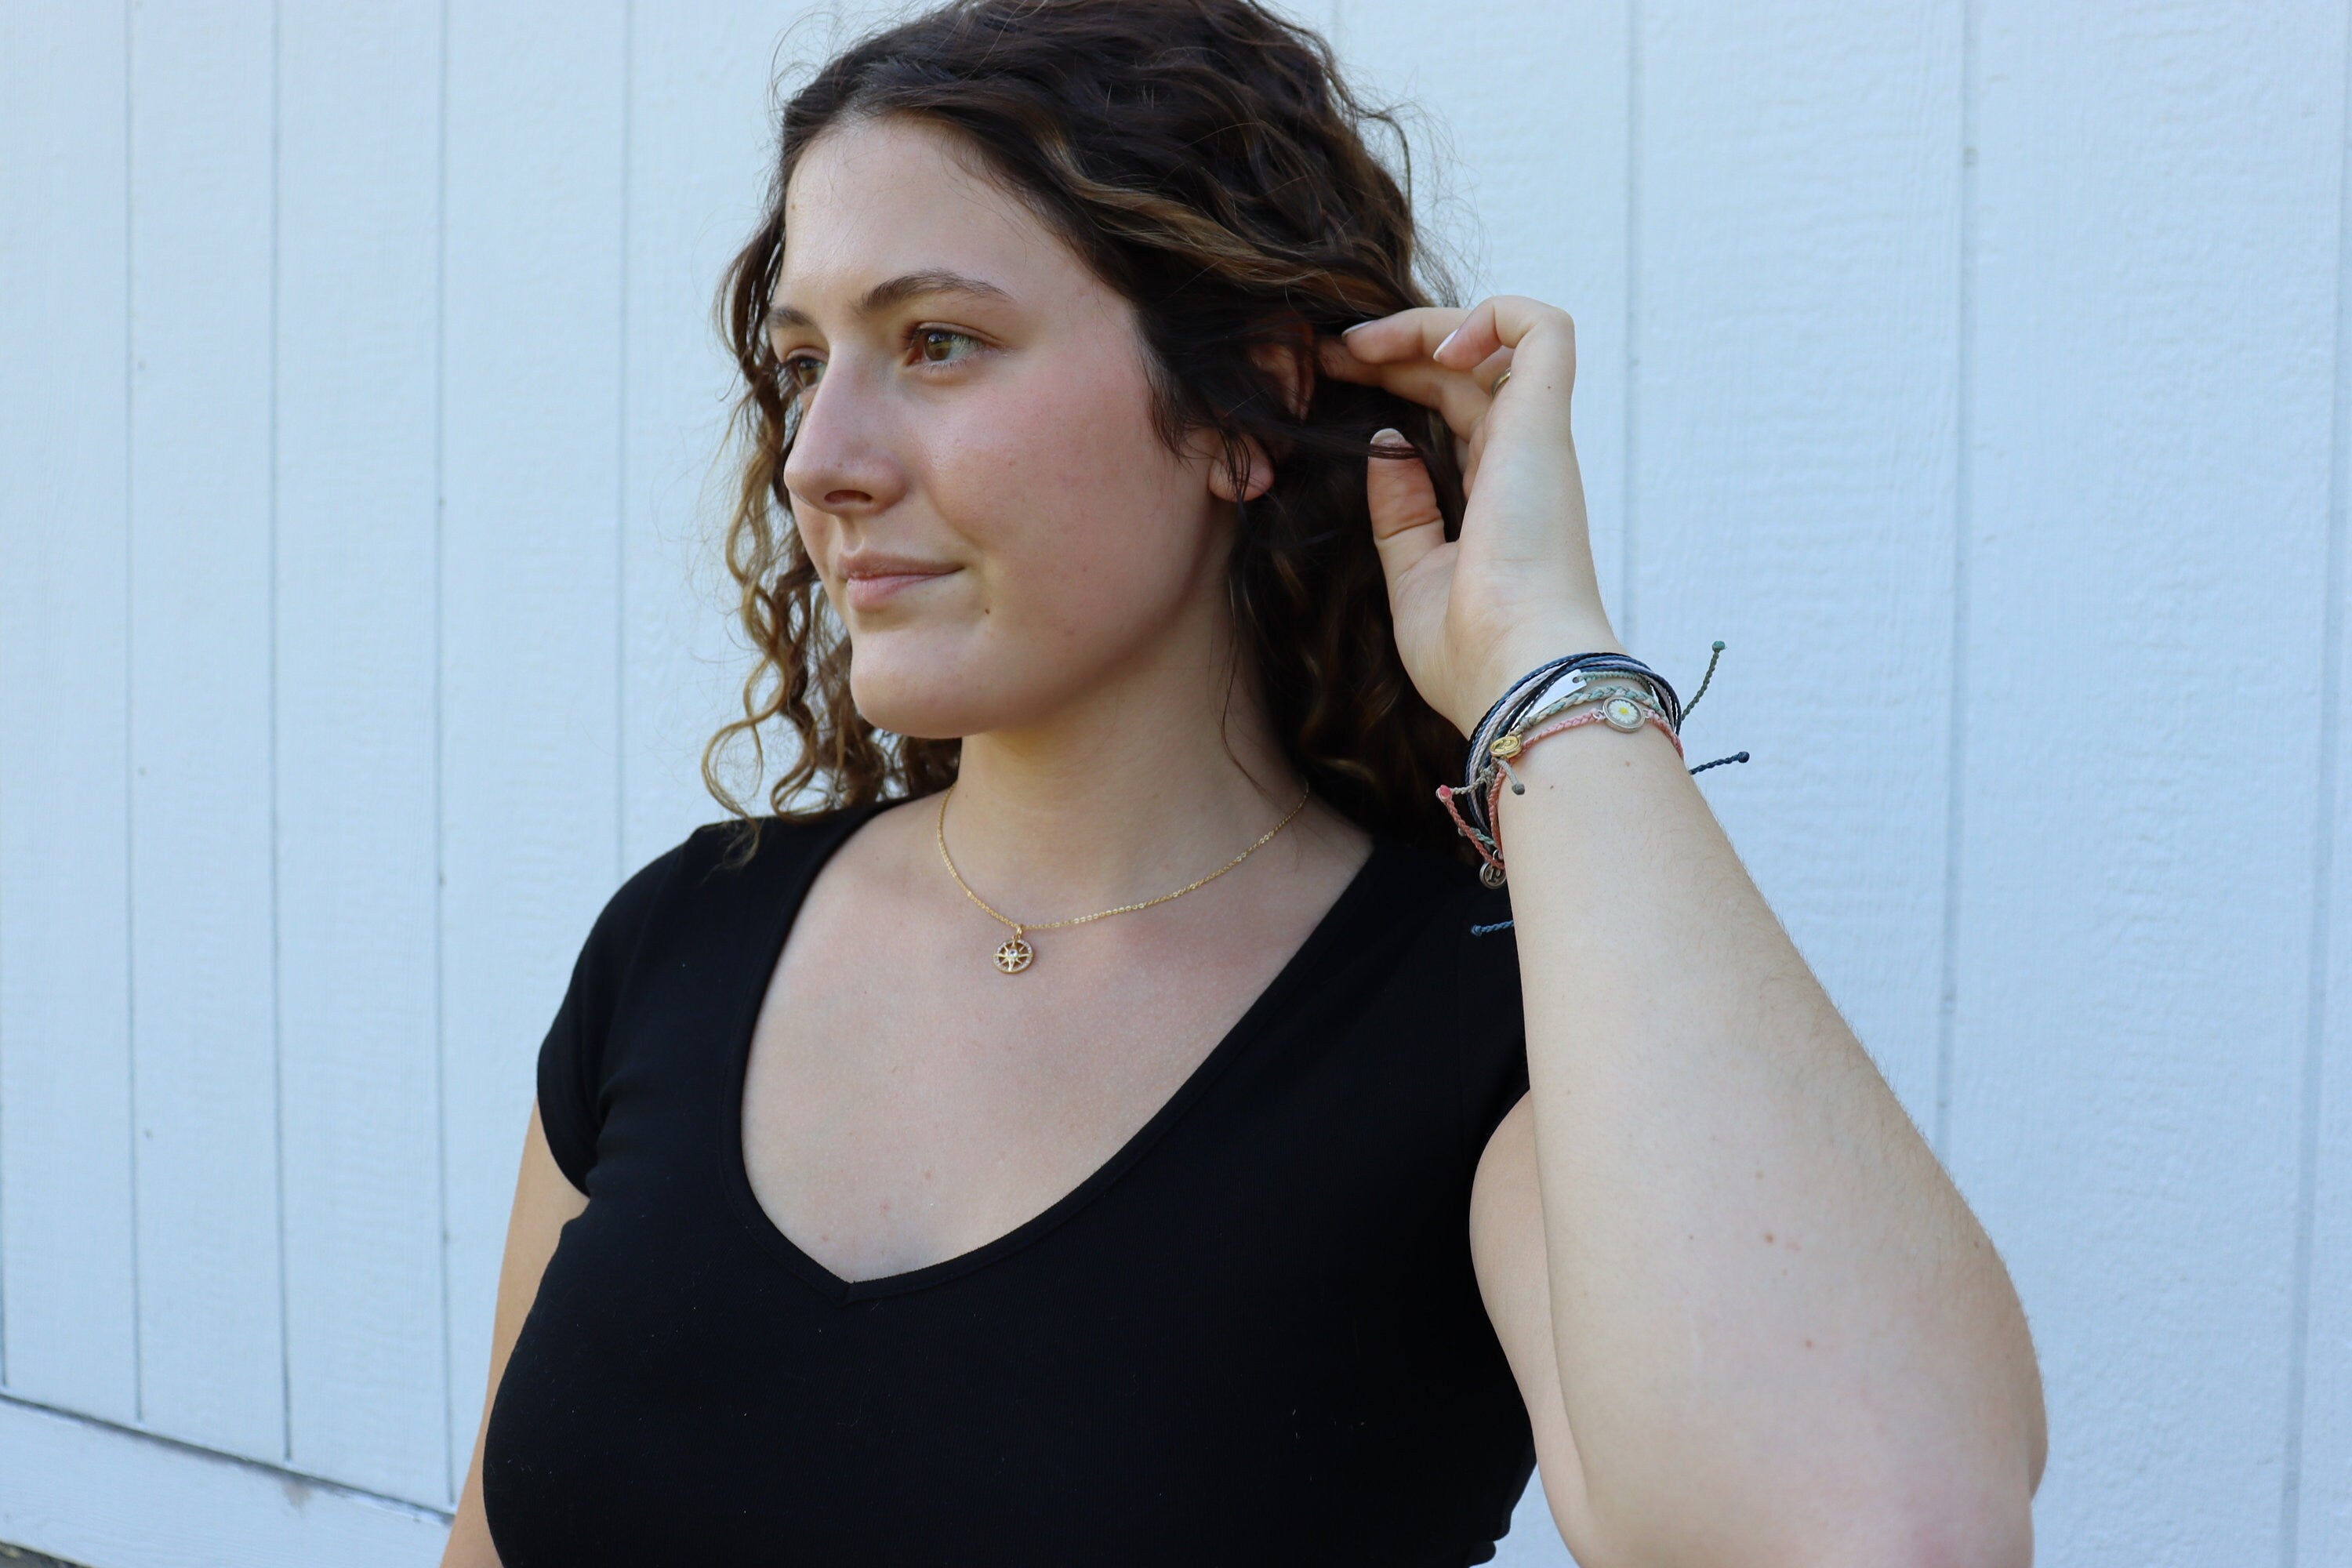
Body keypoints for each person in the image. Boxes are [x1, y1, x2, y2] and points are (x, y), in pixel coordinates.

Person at [439, 1, 2046, 1563]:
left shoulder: (1477, 1026)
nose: (820, 459)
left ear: (1248, 406)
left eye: (937, 342)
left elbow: (1871, 1523)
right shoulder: (680, 943)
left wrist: (1544, 664)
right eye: (805, 360)